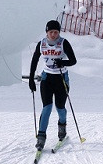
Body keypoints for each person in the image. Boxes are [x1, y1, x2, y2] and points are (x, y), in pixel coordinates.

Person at [29, 20, 77, 151]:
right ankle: (41, 137)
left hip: (61, 79)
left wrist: (62, 62)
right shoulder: (42, 44)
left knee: (60, 107)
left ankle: (62, 126)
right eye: (51, 32)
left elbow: (73, 60)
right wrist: (31, 79)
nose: (54, 35)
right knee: (47, 108)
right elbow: (34, 60)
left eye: (56, 32)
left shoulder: (63, 43)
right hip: (47, 78)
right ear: (47, 32)